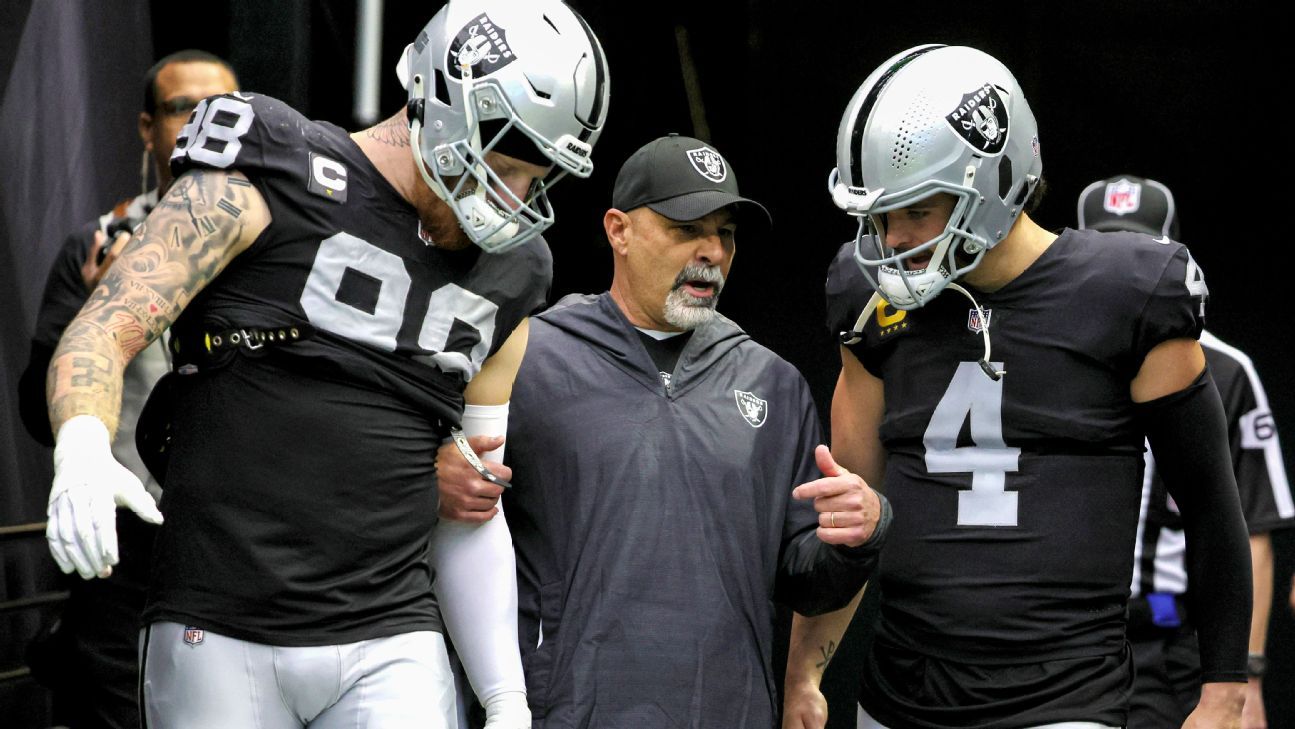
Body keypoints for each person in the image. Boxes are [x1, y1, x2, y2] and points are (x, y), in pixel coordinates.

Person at [41, 1, 609, 727]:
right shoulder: (276, 164)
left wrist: (504, 696)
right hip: (217, 618)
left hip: (391, 631)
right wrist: (83, 442)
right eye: (499, 163)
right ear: (434, 102)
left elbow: (474, 500)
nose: (514, 198)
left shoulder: (513, 272)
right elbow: (108, 322)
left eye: (535, 176)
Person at [787, 44, 1252, 728]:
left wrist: (1224, 691)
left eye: (915, 210)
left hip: (1059, 699)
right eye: (878, 216)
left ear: (994, 180)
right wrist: (805, 669)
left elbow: (1212, 508)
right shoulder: (867, 300)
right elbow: (847, 521)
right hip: (898, 696)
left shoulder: (1129, 292)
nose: (892, 239)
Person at [436, 133, 889, 729]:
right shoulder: (527, 356)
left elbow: (805, 580)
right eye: (685, 229)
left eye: (725, 233)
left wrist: (860, 533)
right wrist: (433, 477)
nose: (712, 251)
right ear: (618, 230)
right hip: (560, 714)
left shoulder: (773, 384)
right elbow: (442, 523)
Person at [17, 49, 238, 729]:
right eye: (181, 109)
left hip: (245, 533)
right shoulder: (100, 241)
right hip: (128, 529)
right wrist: (102, 308)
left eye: (222, 109)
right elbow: (35, 409)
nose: (203, 123)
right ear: (148, 129)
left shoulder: (285, 243)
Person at [1077, 174, 1294, 729]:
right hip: (1064, 636)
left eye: (1140, 246)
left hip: (1173, 642)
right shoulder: (1046, 355)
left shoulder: (1224, 369)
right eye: (1105, 245)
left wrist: (1245, 676)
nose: (1124, 264)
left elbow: (1252, 528)